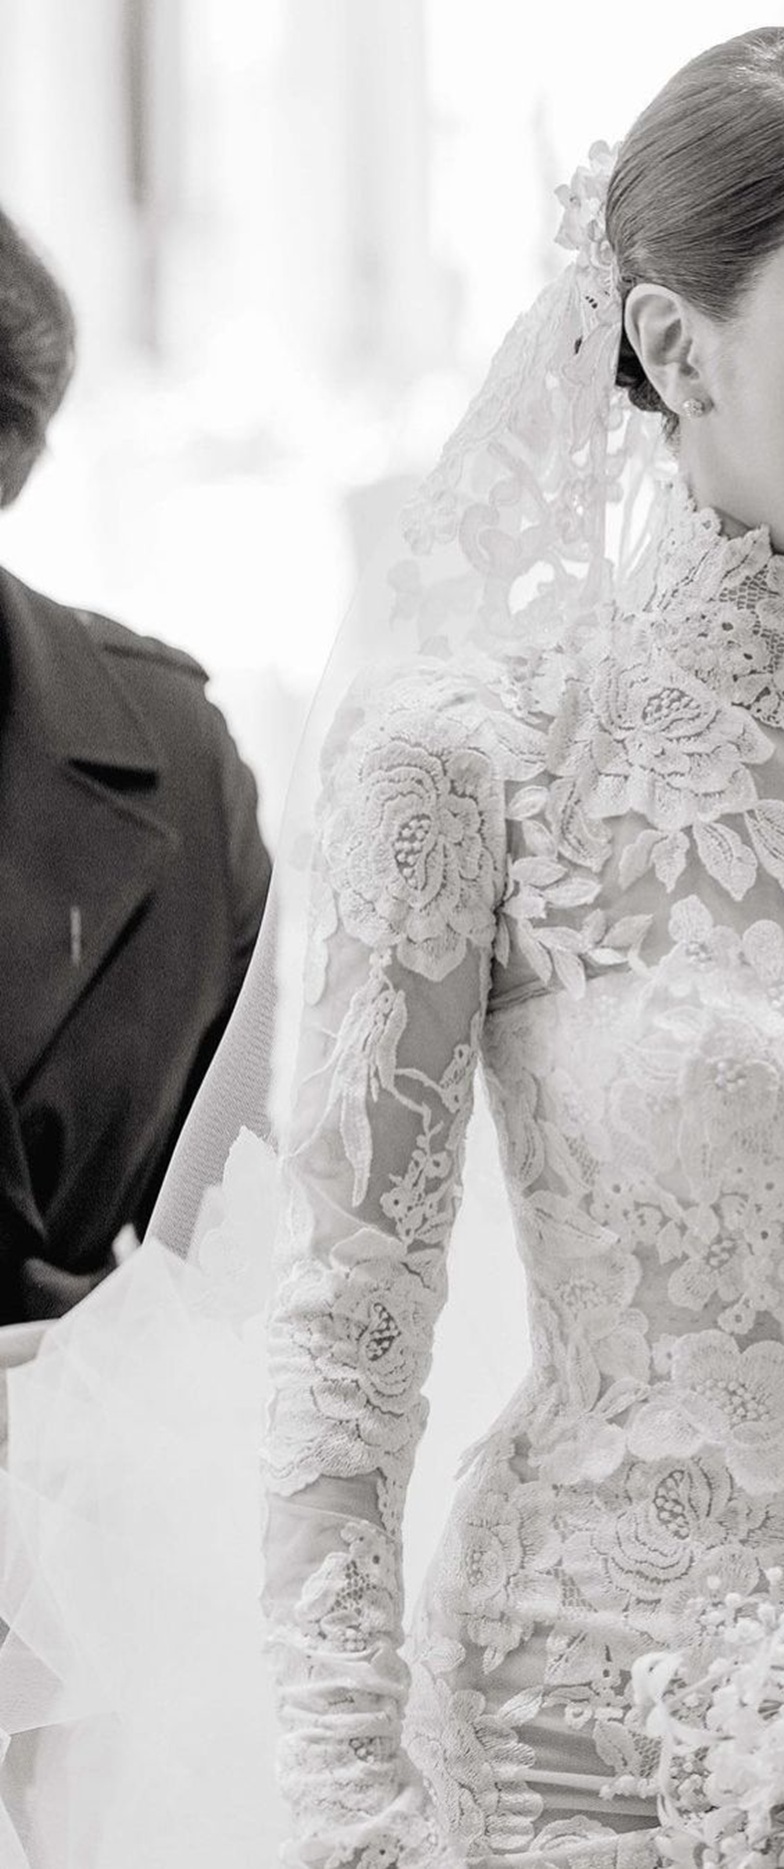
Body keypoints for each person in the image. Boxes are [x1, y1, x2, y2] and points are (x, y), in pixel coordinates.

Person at [0, 27, 784, 1869]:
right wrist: (354, 1807)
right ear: (677, 343)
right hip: (575, 1736)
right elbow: (349, 1316)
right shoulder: (473, 752)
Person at [0, 204, 272, 1325]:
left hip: (112, 1430)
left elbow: (259, 1225)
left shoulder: (172, 755)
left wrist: (99, 1363)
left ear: (12, 453)